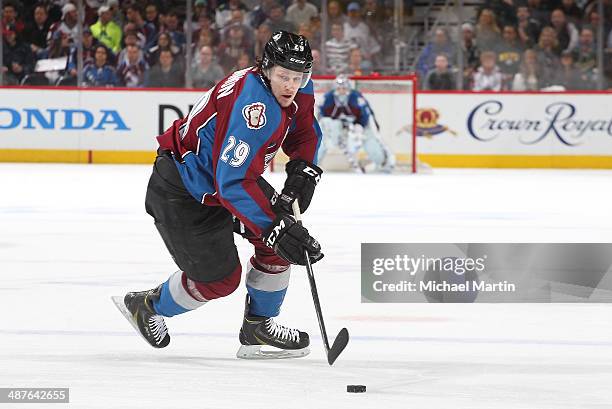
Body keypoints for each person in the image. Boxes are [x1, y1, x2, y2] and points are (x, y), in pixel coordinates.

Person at [115, 31, 323, 359]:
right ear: (267, 68)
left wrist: (304, 172)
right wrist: (275, 227)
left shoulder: (293, 80)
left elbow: (304, 130)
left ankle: (258, 328)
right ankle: (147, 306)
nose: (291, 85)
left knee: (280, 246)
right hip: (183, 190)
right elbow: (233, 184)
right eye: (284, 76)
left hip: (224, 181)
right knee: (222, 279)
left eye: (298, 77)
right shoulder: (253, 108)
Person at [318, 74, 395, 173]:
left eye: (344, 88)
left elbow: (366, 114)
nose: (342, 90)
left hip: (358, 125)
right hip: (335, 126)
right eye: (339, 88)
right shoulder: (328, 98)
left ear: (349, 87)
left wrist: (360, 125)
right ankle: (313, 163)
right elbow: (321, 115)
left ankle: (381, 162)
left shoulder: (356, 97)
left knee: (370, 142)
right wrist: (328, 128)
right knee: (320, 140)